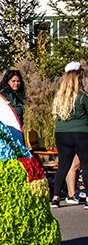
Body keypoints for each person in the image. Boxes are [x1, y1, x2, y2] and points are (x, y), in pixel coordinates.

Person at [50, 61, 88, 208]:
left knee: (63, 166)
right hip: (80, 133)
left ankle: (55, 198)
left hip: (61, 133)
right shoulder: (82, 97)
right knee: (86, 165)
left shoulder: (60, 98)